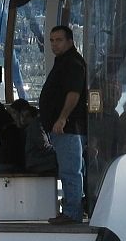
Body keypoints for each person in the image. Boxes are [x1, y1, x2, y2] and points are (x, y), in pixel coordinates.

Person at [39, 25, 88, 225]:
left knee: (70, 171)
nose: (54, 44)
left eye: (58, 40)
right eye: (51, 40)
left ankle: (72, 213)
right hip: (62, 128)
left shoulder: (73, 63)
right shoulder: (63, 62)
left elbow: (73, 93)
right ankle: (72, 209)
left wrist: (62, 118)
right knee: (71, 170)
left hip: (68, 128)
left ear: (69, 41)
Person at [9, 99, 57, 175]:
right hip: (36, 163)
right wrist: (60, 151)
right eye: (22, 116)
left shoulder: (26, 129)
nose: (23, 119)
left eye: (27, 116)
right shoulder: (36, 126)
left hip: (31, 162)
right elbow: (44, 146)